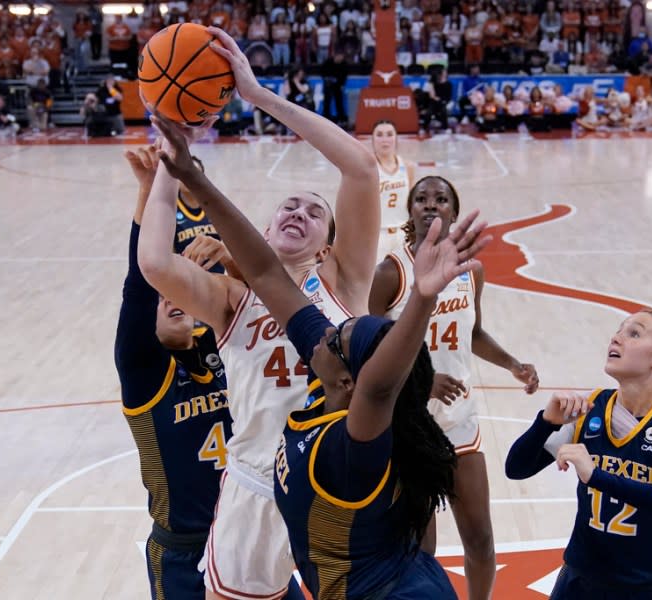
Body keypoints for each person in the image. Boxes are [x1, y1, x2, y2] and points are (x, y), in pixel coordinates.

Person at [152, 114, 492, 599]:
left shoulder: (339, 297)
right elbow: (266, 275)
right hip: (266, 474)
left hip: (332, 489)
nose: (325, 343)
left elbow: (277, 265)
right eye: (288, 208)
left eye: (338, 341)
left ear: (349, 380)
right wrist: (184, 169)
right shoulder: (287, 316)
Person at [137, 26, 379, 600]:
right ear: (262, 233)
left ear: (327, 244)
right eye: (287, 207)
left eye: (314, 212)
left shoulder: (345, 281)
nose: (299, 211)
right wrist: (174, 163)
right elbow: (154, 261)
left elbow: (362, 169)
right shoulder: (231, 299)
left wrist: (260, 97)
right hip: (254, 480)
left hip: (335, 474)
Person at [369, 175, 539, 600]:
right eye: (421, 198)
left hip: (461, 420)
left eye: (441, 199)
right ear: (409, 211)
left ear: (454, 212)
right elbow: (366, 348)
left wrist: (513, 364)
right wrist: (420, 380)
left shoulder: (471, 270)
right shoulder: (391, 272)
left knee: (480, 538)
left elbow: (473, 332)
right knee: (422, 549)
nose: (431, 205)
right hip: (409, 422)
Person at [505, 310, 652, 598]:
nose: (616, 337)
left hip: (646, 586)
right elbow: (516, 468)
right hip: (579, 578)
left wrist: (595, 475)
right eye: (619, 330)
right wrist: (546, 422)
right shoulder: (591, 407)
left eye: (634, 333)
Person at [116, 145, 235, 599]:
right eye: (163, 301)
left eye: (182, 294)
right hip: (185, 553)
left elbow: (259, 297)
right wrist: (147, 192)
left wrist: (228, 258)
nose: (174, 299)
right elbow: (139, 286)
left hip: (248, 538)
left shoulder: (226, 352)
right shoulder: (145, 372)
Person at [371, 120, 416, 262]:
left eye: (389, 134)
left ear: (396, 138)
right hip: (377, 235)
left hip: (403, 233)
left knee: (406, 280)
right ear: (372, 139)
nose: (385, 139)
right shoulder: (367, 169)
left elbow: (413, 204)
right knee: (376, 280)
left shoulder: (408, 166)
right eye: (379, 135)